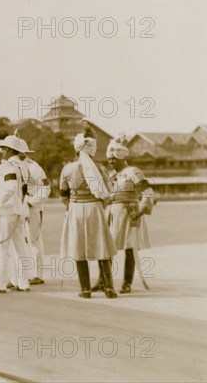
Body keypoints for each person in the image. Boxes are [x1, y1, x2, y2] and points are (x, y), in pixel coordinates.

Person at [59, 123, 118, 299]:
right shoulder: (100, 169)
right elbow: (108, 193)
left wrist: (70, 205)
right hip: (95, 209)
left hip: (76, 208)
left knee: (79, 249)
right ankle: (109, 288)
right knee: (102, 248)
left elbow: (63, 193)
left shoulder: (68, 168)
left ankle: (85, 290)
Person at [105, 135, 154, 294]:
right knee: (106, 247)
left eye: (114, 159)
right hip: (112, 213)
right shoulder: (111, 175)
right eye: (109, 159)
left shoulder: (133, 171)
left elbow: (148, 192)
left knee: (129, 248)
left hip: (129, 213)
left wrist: (140, 211)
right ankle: (104, 281)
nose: (111, 162)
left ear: (122, 157)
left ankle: (127, 283)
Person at [0, 135, 32, 293]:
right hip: (19, 210)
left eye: (4, 149)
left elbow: (10, 188)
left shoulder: (9, 167)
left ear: (10, 150)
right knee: (20, 248)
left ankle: (0, 284)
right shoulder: (22, 166)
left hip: (8, 210)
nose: (1, 151)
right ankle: (23, 283)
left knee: (2, 247)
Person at [17, 138, 51, 285]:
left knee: (34, 241)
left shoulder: (34, 167)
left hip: (33, 209)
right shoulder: (15, 166)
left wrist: (32, 202)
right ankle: (26, 274)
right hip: (19, 209)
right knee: (22, 241)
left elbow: (46, 187)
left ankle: (38, 274)